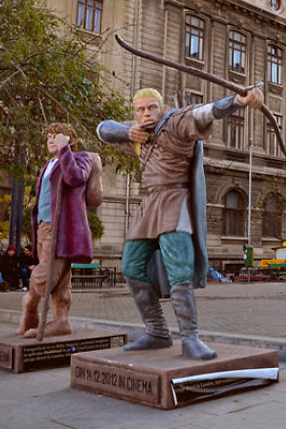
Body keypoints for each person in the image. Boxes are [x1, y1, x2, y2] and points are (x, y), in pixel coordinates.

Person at [97, 86, 264, 359]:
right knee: (130, 267)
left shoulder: (175, 122)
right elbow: (103, 129)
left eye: (152, 107)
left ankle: (190, 338)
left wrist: (238, 101)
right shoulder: (136, 134)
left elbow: (206, 112)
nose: (147, 113)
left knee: (179, 272)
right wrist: (127, 132)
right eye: (140, 110)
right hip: (148, 205)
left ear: (161, 107)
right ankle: (157, 332)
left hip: (175, 202)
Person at [16, 123, 94, 338]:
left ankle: (30, 304)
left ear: (70, 139)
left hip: (61, 227)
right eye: (49, 137)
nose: (51, 140)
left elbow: (75, 179)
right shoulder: (49, 164)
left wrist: (64, 151)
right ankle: (61, 321)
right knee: (60, 278)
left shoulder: (80, 158)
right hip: (43, 226)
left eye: (56, 137)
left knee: (48, 271)